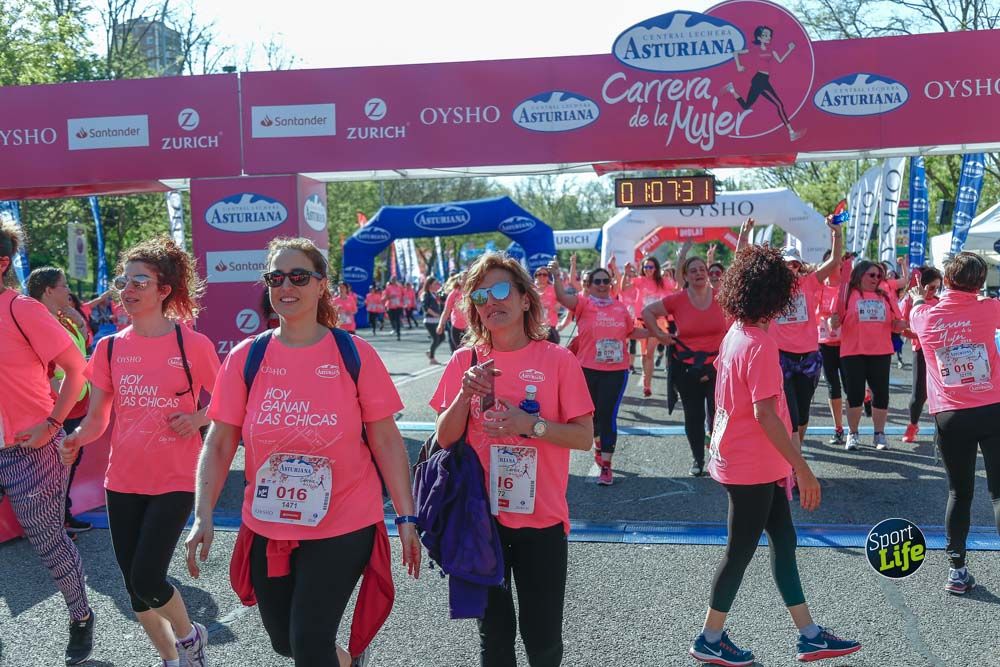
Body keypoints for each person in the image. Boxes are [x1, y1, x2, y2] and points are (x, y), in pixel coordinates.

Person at [185, 237, 420, 667]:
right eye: (276, 277)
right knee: (285, 641)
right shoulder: (246, 357)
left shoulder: (353, 353)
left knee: (309, 643)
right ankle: (346, 661)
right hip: (269, 520)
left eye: (298, 276)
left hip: (345, 519)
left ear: (320, 285)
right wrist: (202, 514)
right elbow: (219, 442)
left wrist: (405, 516)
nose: (285, 286)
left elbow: (386, 441)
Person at [690, 243, 860, 666]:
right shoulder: (760, 344)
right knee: (739, 552)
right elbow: (765, 414)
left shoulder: (737, 333)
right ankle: (710, 637)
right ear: (774, 294)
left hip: (751, 461)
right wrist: (803, 469)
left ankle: (810, 634)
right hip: (752, 464)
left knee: (784, 540)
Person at [58, 238, 218, 667]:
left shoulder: (192, 346)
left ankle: (189, 638)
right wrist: (75, 439)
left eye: (139, 281)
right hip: (122, 481)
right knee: (134, 587)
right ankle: (172, 659)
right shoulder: (109, 347)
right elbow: (97, 419)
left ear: (164, 290)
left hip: (177, 478)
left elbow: (225, 405)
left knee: (148, 576)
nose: (127, 289)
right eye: (123, 281)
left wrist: (198, 419)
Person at [430, 252, 593, 667]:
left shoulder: (558, 361)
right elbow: (444, 439)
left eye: (501, 290)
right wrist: (465, 396)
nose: (491, 301)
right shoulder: (463, 362)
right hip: (480, 521)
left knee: (542, 640)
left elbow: (583, 437)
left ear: (525, 299)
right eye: (481, 296)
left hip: (542, 521)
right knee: (494, 640)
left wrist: (530, 425)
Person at [0, 222, 95, 665]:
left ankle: (80, 615)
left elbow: (78, 370)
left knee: (48, 540)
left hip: (30, 447)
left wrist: (51, 424)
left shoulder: (23, 309)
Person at [909, 252, 1000, 596]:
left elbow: (917, 307)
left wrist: (919, 296)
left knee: (959, 492)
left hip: (951, 415)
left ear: (946, 281)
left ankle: (957, 571)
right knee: (999, 493)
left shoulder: (924, 316)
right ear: (979, 283)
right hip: (993, 406)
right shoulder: (990, 308)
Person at [742, 218, 843, 447]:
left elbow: (835, 261)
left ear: (800, 266)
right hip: (780, 358)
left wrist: (836, 233)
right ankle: (792, 463)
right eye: (787, 264)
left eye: (795, 264)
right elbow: (745, 265)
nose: (791, 268)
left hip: (808, 357)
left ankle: (795, 453)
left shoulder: (809, 283)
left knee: (804, 413)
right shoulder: (770, 288)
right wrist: (745, 235)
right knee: (791, 413)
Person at [551, 261, 647, 485]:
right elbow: (563, 298)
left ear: (611, 284)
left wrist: (657, 333)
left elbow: (632, 332)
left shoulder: (620, 307)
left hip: (616, 370)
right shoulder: (583, 304)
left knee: (608, 415)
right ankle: (598, 444)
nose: (603, 285)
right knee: (591, 417)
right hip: (587, 369)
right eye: (598, 281)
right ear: (590, 285)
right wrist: (556, 276)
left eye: (606, 281)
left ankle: (606, 465)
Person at [643, 256, 728, 477]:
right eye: (693, 271)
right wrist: (660, 336)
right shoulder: (677, 300)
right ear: (686, 276)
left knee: (719, 414)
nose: (699, 273)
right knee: (694, 415)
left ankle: (718, 456)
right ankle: (697, 458)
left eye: (702, 269)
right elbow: (647, 312)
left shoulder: (722, 297)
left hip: (718, 366)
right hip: (687, 367)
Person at [26, 267, 94, 539]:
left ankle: (60, 516)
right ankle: (51, 524)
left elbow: (82, 350)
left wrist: (78, 321)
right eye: (64, 286)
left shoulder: (62, 319)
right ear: (48, 291)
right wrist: (57, 395)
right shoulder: (36, 321)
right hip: (56, 406)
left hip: (75, 404)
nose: (69, 291)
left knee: (69, 461)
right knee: (55, 466)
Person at [837, 258, 907, 451]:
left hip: (880, 351)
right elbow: (836, 318)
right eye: (872, 275)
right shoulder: (847, 294)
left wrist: (900, 326)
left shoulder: (885, 296)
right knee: (855, 394)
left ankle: (879, 433)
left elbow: (895, 323)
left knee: (881, 394)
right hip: (853, 352)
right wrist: (832, 322)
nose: (876, 278)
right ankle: (853, 433)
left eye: (879, 275)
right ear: (860, 275)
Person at [722, 25, 805, 142]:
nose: (768, 37)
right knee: (779, 105)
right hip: (759, 80)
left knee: (746, 106)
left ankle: (731, 90)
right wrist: (739, 66)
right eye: (765, 35)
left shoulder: (771, 49)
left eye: (769, 35)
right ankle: (791, 133)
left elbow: (780, 60)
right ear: (759, 37)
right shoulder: (754, 49)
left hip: (763, 80)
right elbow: (736, 53)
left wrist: (790, 49)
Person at [900, 267, 942, 444]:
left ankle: (943, 430)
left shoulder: (940, 302)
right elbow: (901, 328)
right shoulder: (910, 301)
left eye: (937, 288)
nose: (934, 291)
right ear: (921, 285)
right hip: (921, 351)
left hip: (940, 353)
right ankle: (913, 424)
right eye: (931, 287)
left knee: (942, 392)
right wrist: (921, 335)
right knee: (919, 394)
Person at [815, 251, 848, 446]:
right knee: (833, 386)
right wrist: (826, 320)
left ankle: (854, 429)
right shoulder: (818, 288)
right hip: (825, 344)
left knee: (852, 388)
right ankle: (839, 428)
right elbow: (813, 313)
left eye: (835, 264)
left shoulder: (848, 289)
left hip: (847, 344)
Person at [634, 255, 676, 397]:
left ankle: (647, 385)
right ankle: (646, 379)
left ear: (656, 268)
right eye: (645, 267)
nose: (648, 270)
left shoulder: (662, 282)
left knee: (649, 353)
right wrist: (618, 270)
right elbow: (622, 287)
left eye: (651, 267)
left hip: (657, 321)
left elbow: (677, 288)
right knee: (644, 354)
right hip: (641, 320)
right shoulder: (639, 281)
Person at [438, 272, 468, 352]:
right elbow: (446, 311)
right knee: (460, 351)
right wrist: (441, 324)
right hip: (456, 327)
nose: (465, 280)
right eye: (463, 279)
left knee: (471, 350)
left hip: (470, 328)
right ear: (459, 281)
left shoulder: (474, 292)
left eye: (467, 278)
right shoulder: (454, 294)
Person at [420, 276, 445, 365]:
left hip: (437, 320)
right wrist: (435, 314)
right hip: (429, 320)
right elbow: (425, 307)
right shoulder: (426, 294)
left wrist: (442, 290)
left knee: (442, 338)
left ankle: (430, 351)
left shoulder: (436, 293)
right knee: (435, 338)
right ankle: (432, 358)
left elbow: (444, 299)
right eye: (435, 284)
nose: (437, 285)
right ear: (429, 285)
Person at [534, 266, 561, 344]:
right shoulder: (531, 290)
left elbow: (562, 299)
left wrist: (558, 304)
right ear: (535, 276)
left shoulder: (553, 289)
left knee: (551, 354)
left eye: (544, 274)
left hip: (550, 327)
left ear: (548, 277)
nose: (542, 276)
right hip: (535, 327)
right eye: (539, 274)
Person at [383, 276, 405, 340]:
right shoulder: (388, 288)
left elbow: (404, 295)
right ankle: (394, 328)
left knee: (397, 320)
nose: (394, 281)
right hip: (391, 306)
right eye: (393, 280)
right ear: (391, 281)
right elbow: (385, 297)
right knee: (392, 319)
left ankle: (398, 334)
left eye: (395, 280)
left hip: (398, 306)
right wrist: (390, 297)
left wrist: (403, 302)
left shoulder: (400, 287)